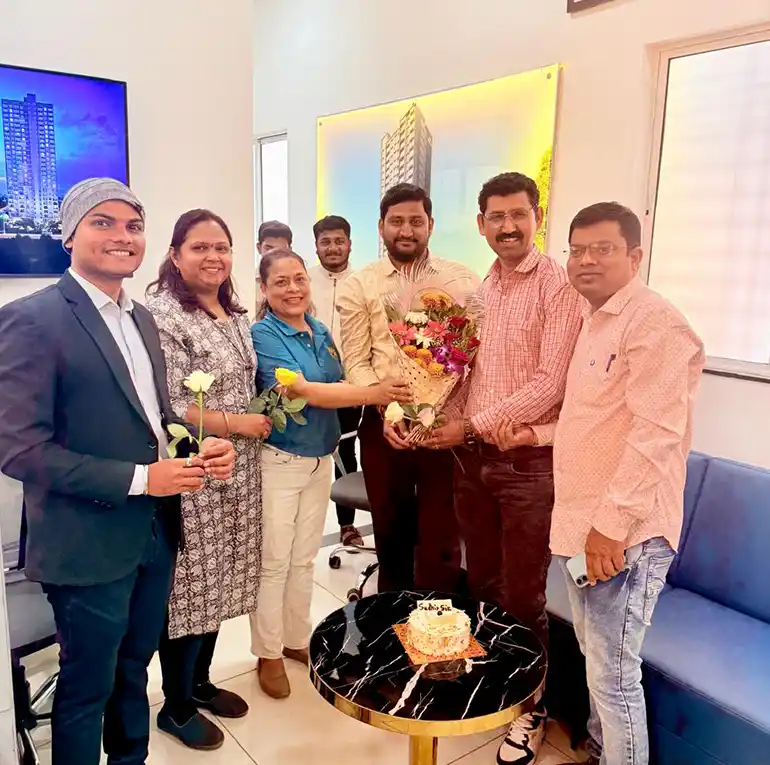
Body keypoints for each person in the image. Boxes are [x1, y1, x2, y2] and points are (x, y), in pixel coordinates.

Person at [0, 178, 235, 765]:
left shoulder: (143, 320)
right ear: (69, 235)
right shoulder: (32, 319)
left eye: (133, 225)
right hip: (86, 540)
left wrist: (198, 447)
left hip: (154, 532)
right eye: (102, 222)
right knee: (88, 687)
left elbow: (155, 419)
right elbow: (19, 449)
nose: (122, 236)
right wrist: (141, 479)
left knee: (134, 669)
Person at [495, 203, 704, 765]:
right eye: (578, 250)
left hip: (624, 533)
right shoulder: (595, 320)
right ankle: (598, 752)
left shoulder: (654, 322)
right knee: (596, 660)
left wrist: (610, 528)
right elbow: (594, 420)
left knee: (613, 676)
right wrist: (535, 434)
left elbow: (657, 434)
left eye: (603, 249)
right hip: (584, 525)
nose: (586, 260)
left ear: (634, 256)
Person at [425, 172, 584, 765]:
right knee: (483, 582)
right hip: (473, 464)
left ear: (537, 216)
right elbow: (468, 374)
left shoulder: (558, 287)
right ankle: (499, 680)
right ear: (481, 223)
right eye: (497, 216)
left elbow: (551, 383)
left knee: (523, 593)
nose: (509, 226)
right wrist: (438, 416)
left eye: (519, 214)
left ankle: (531, 708)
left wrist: (469, 424)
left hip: (527, 467)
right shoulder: (483, 288)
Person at [250, 248, 409, 699]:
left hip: (321, 457)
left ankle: (295, 639)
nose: (293, 289)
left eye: (299, 278)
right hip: (281, 460)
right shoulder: (263, 335)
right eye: (281, 281)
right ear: (264, 288)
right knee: (274, 562)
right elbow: (302, 390)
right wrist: (375, 392)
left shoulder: (319, 330)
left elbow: (338, 381)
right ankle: (267, 652)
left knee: (304, 559)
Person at [146, 209, 272, 750]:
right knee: (192, 589)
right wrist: (238, 424)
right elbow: (171, 404)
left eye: (222, 247)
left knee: (223, 581)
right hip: (196, 470)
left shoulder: (235, 313)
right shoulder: (164, 314)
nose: (213, 257)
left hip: (241, 473)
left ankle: (200, 683)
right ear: (175, 255)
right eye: (199, 247)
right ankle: (175, 707)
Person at [337, 183, 480, 594]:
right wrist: (388, 406)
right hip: (385, 427)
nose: (406, 230)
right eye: (396, 221)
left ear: (430, 225)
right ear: (381, 226)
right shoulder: (360, 285)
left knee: (443, 541)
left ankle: (439, 625)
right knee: (392, 537)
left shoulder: (461, 280)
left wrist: (452, 414)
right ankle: (393, 622)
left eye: (416, 221)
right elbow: (355, 360)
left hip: (445, 430)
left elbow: (472, 356)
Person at [308, 214, 363, 546]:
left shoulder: (363, 282)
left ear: (349, 244)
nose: (332, 248)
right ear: (316, 246)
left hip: (349, 385)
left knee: (346, 451)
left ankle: (347, 525)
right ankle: (306, 525)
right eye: (325, 242)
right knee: (307, 455)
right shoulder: (303, 280)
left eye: (339, 241)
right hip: (308, 385)